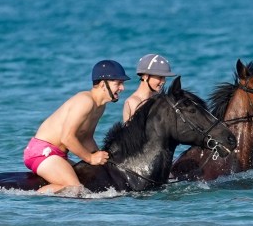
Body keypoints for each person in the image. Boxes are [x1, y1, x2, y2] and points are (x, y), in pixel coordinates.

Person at [23, 60, 130, 195]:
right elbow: (67, 138)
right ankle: (32, 200)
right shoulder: (85, 101)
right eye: (118, 83)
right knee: (74, 187)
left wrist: (103, 161)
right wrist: (90, 159)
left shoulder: (100, 106)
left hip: (58, 155)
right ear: (103, 84)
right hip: (41, 153)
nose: (122, 88)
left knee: (89, 180)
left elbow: (86, 137)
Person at [123, 53, 178, 122]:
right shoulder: (132, 103)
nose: (163, 81)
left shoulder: (160, 98)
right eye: (160, 77)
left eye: (164, 77)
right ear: (146, 76)